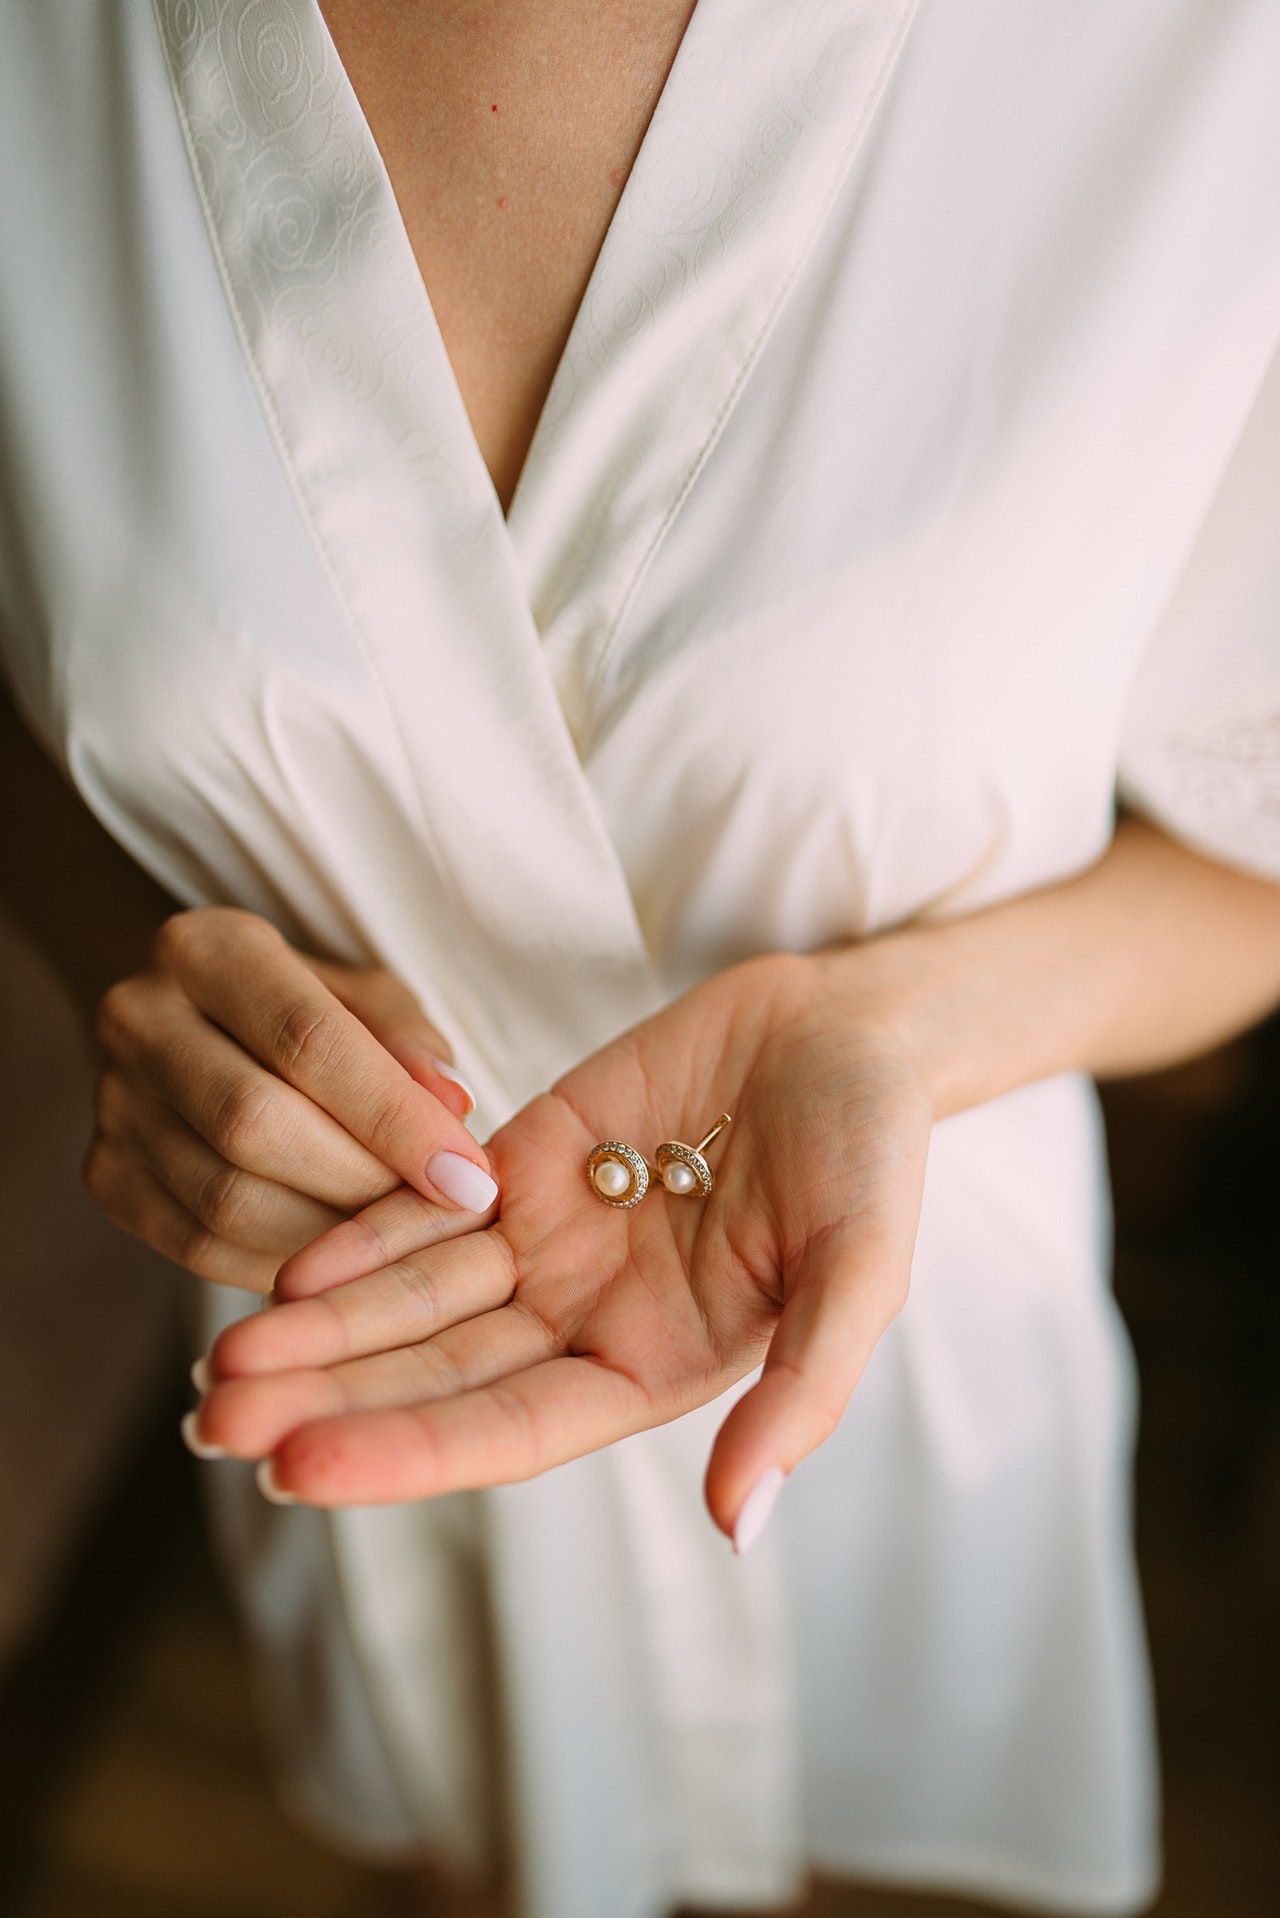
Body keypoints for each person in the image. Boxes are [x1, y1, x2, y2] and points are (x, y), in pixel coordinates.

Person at [3, 3, 1280, 1914]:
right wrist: (148, 980)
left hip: (894, 1337)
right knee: (465, 1844)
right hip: (358, 1333)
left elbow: (1255, 862)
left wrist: (890, 1033)